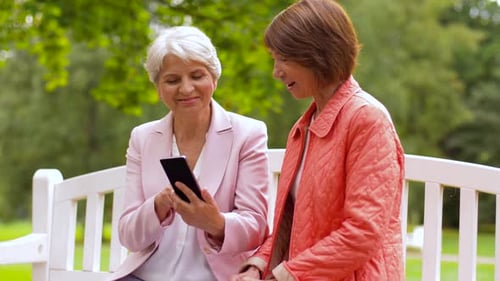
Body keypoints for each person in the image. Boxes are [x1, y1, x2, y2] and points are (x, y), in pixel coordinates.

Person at [231, 0, 405, 280]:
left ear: (318, 53)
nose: (276, 71)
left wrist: (284, 275)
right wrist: (258, 266)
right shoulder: (302, 128)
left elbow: (362, 233)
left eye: (284, 59)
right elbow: (293, 222)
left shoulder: (367, 119)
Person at [108, 26, 270, 281]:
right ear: (158, 88)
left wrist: (215, 222)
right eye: (172, 80)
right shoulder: (143, 138)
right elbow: (128, 235)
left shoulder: (248, 134)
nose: (186, 89)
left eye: (197, 76)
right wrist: (157, 207)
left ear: (214, 79)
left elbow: (256, 227)